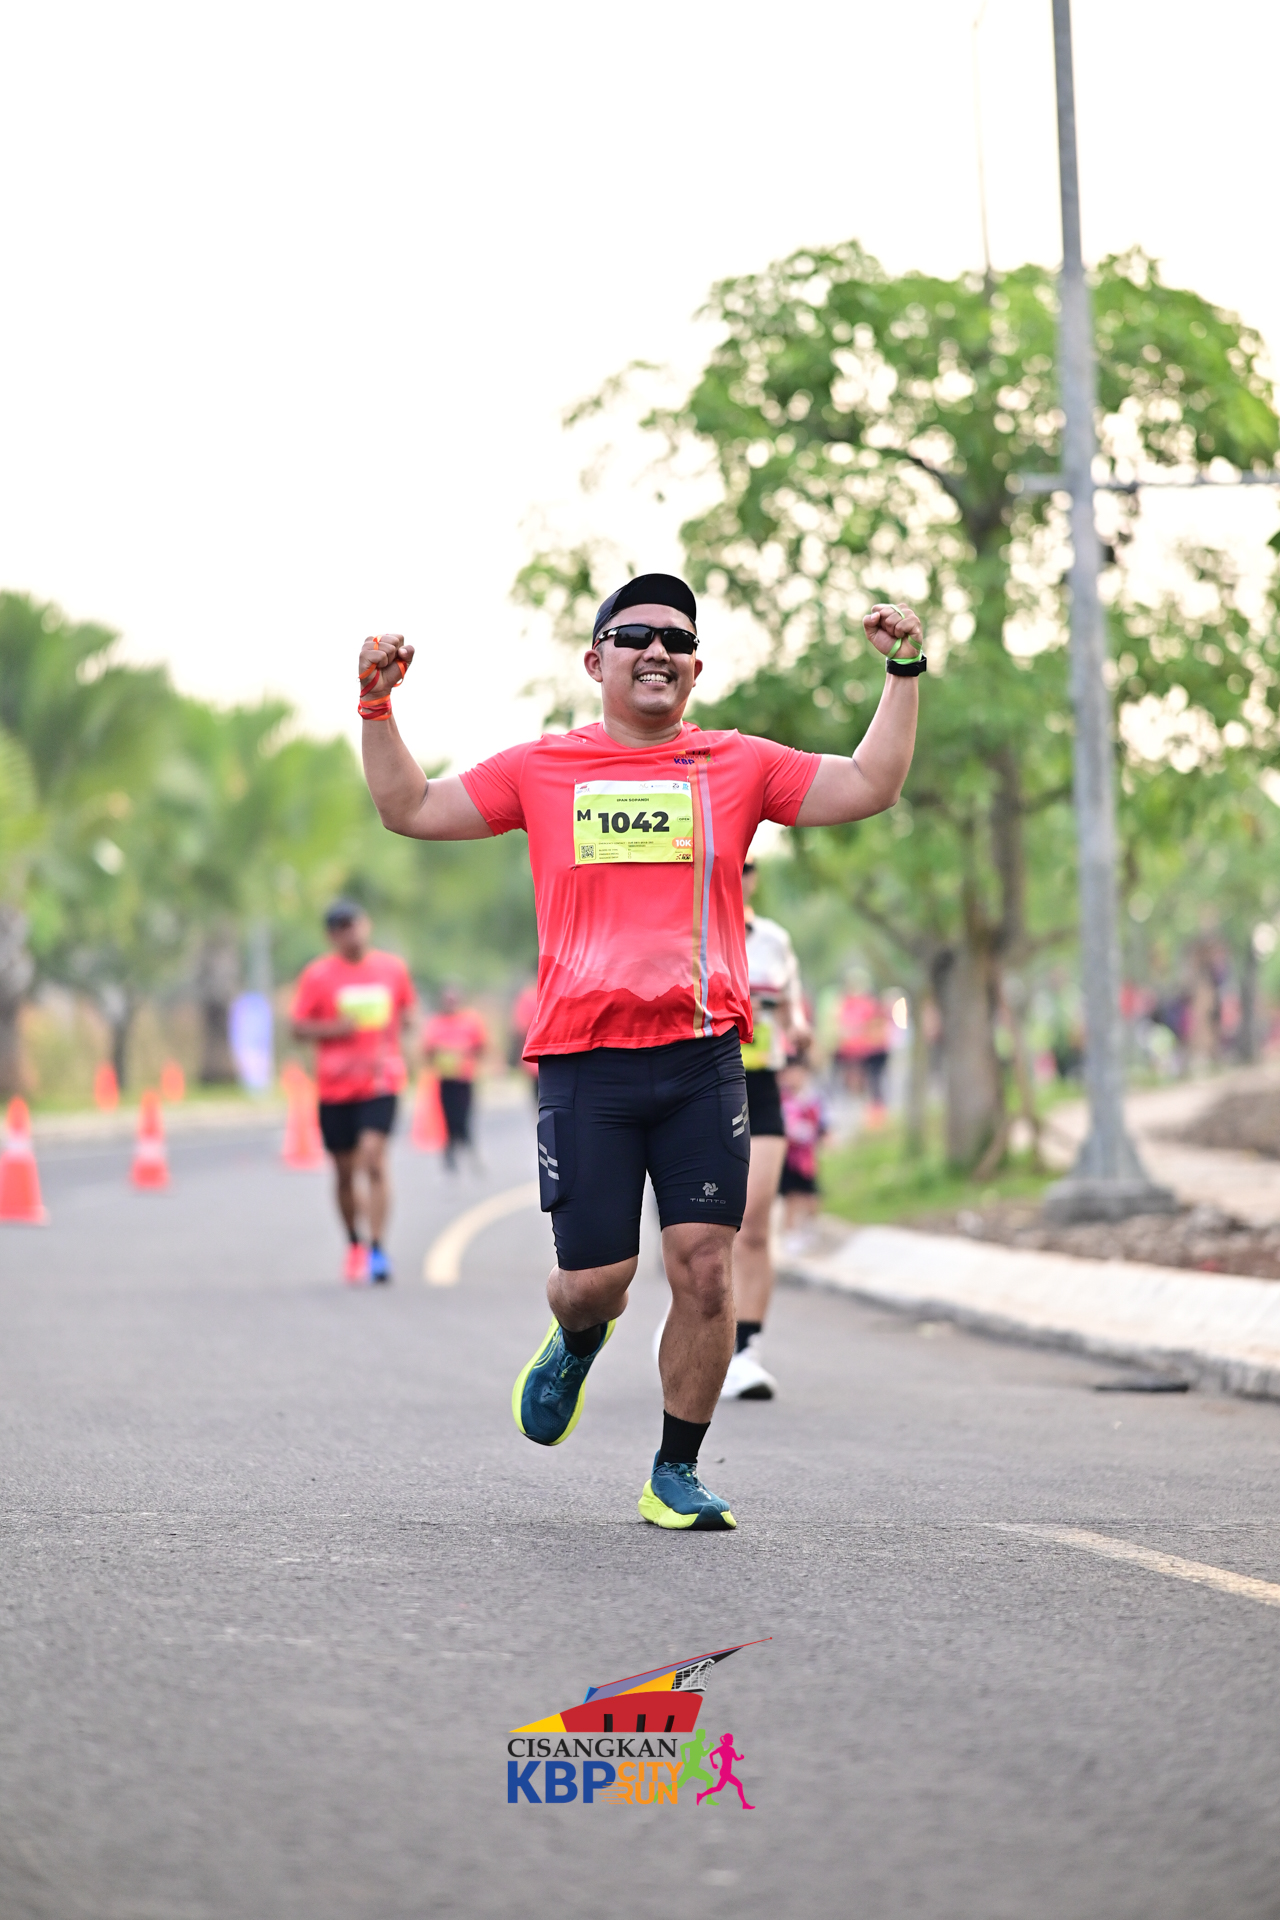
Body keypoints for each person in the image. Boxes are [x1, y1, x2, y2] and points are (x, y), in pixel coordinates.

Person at [356, 573, 923, 1529]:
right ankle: (577, 1340)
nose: (658, 649)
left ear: (696, 668)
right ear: (596, 662)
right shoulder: (543, 769)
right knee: (595, 1283)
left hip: (703, 1059)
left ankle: (676, 1471)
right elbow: (409, 806)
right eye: (634, 635)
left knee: (705, 1267)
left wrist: (904, 670)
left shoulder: (737, 763)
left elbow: (871, 783)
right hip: (587, 1062)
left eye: (677, 638)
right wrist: (378, 708)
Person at [290, 901, 416, 1283]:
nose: (351, 933)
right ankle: (354, 1244)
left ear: (366, 924)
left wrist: (403, 1032)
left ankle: (377, 1248)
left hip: (380, 1081)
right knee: (345, 1173)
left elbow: (408, 1013)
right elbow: (298, 1028)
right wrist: (337, 1028)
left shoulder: (392, 969)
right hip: (335, 1088)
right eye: (341, 928)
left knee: (374, 1159)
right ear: (332, 936)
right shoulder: (318, 976)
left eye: (354, 924)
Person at [720, 858, 808, 1402]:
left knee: (753, 1224)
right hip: (704, 1086)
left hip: (762, 1087)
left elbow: (793, 1011)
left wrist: (799, 1032)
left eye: (748, 866)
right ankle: (695, 1320)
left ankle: (744, 1349)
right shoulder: (687, 931)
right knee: (708, 1233)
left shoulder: (774, 941)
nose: (741, 873)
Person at [421, 986, 487, 1168]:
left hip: (464, 1078)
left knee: (464, 1114)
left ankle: (468, 1147)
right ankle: (450, 1150)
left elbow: (480, 1045)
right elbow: (427, 1050)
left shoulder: (469, 1021)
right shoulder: (436, 1023)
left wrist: (465, 1052)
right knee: (448, 1115)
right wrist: (441, 1053)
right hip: (445, 1078)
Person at [779, 1057, 830, 1248]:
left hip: (807, 1157)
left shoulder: (814, 1099)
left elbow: (824, 1123)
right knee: (791, 1197)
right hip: (789, 1157)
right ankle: (790, 1234)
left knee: (812, 1197)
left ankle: (808, 1228)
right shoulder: (781, 1099)